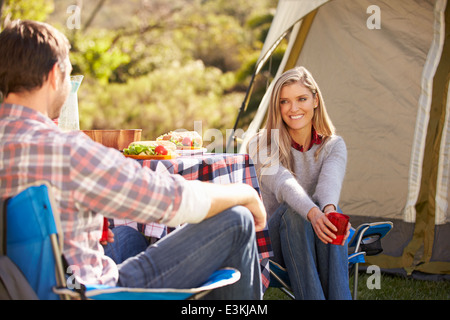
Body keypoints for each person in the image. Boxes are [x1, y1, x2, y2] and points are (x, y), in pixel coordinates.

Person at [0, 19, 267, 299]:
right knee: (237, 220)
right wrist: (245, 192)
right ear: (56, 75)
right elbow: (169, 200)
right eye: (68, 74)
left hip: (27, 286)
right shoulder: (66, 150)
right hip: (89, 292)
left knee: (127, 236)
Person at [248, 66, 352, 299]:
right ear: (278, 106)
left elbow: (329, 183)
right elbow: (284, 184)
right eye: (285, 101)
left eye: (301, 99)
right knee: (295, 213)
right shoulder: (260, 145)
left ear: (315, 100)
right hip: (273, 245)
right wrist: (313, 214)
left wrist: (328, 212)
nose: (293, 108)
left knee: (334, 216)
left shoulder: (333, 145)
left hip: (315, 237)